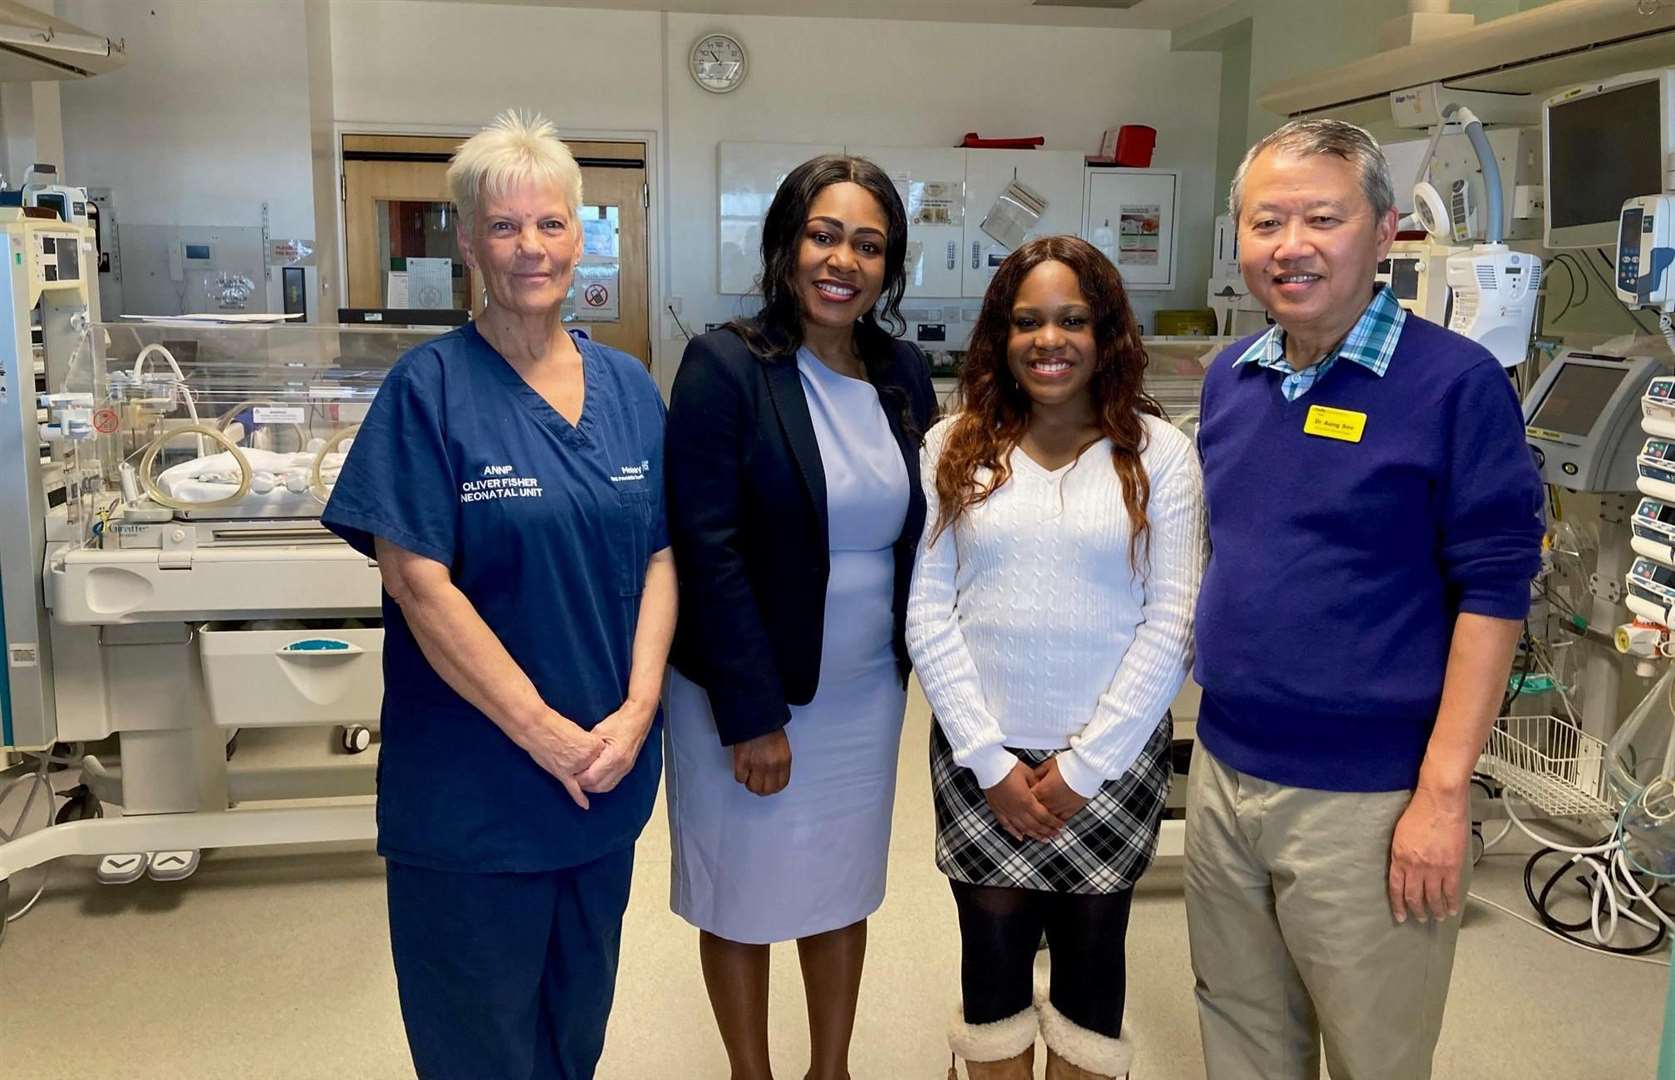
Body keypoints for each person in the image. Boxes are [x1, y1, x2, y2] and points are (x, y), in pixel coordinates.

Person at [1185, 118, 1545, 1080]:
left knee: (1372, 1053)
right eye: (1266, 223)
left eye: (1321, 218)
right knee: (1243, 1033)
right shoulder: (1232, 381)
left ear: (1385, 232)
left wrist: (1440, 794)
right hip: (1224, 768)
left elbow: (1495, 591)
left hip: (1371, 798)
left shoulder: (1454, 385)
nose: (1290, 245)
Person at [321, 110, 675, 1080]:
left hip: (602, 785)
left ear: (581, 236)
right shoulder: (427, 390)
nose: (532, 247)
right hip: (474, 801)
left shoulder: (632, 388)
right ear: (469, 241)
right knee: (480, 1051)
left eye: (552, 224)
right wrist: (542, 731)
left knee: (573, 1040)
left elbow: (659, 556)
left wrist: (639, 711)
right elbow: (418, 585)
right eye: (506, 226)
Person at [663, 153, 937, 1080]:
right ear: (785, 244)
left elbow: (927, 522)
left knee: (839, 880)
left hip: (864, 689)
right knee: (740, 888)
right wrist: (753, 713)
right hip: (750, 689)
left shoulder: (900, 369)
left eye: (868, 244)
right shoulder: (725, 364)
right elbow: (707, 548)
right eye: (824, 235)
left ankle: (831, 1070)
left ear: (888, 266)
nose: (843, 260)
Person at [908, 235, 1204, 1080]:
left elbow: (1170, 620)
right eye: (1027, 321)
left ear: (1105, 331)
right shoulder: (952, 445)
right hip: (980, 757)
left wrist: (1085, 765)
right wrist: (988, 758)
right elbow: (929, 613)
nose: (1050, 340)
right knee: (991, 965)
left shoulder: (1159, 454)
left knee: (1091, 965)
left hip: (1108, 762)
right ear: (998, 336)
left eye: (1072, 320)